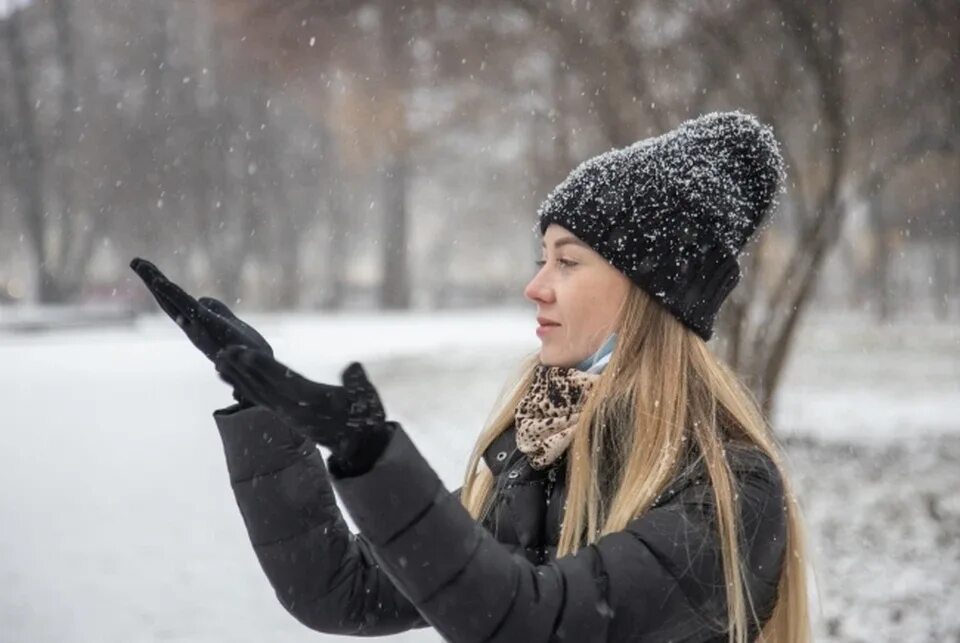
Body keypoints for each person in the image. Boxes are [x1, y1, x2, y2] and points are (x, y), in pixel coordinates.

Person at [131, 110, 810, 642]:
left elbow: (533, 624)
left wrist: (376, 459)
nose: (535, 286)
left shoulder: (728, 492)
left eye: (567, 262)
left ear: (649, 292)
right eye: (542, 257)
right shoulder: (539, 455)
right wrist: (269, 413)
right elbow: (339, 589)